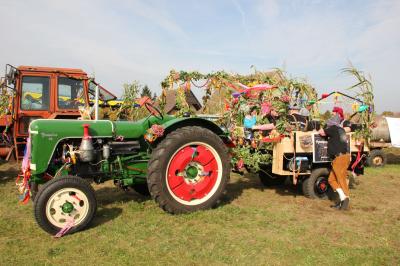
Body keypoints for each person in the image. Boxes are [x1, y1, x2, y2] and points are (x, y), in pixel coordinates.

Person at [319, 106, 351, 210]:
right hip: (344, 156)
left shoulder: (333, 129)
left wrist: (321, 128)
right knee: (331, 180)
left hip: (340, 157)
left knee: (340, 179)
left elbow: (321, 132)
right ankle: (342, 199)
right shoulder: (341, 129)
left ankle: (346, 199)